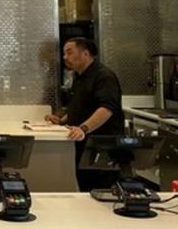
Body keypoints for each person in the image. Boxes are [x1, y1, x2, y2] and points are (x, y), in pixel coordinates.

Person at [45, 37, 124, 192]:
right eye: (64, 54)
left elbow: (106, 109)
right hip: (83, 144)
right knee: (86, 187)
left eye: (69, 52)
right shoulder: (79, 76)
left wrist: (84, 128)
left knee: (102, 191)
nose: (65, 58)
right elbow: (80, 105)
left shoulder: (104, 76)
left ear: (86, 53)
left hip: (102, 145)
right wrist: (62, 121)